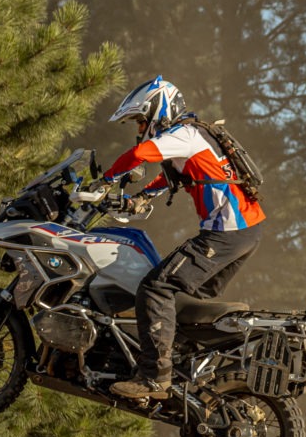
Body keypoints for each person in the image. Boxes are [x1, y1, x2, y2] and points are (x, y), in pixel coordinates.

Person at [103, 75, 265, 400]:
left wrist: (103, 181)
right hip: (246, 231)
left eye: (140, 120)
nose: (139, 129)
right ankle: (183, 368)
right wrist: (143, 197)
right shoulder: (194, 135)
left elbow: (139, 155)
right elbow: (176, 175)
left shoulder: (185, 134)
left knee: (156, 287)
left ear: (157, 112)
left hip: (226, 233)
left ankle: (153, 377)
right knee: (186, 302)